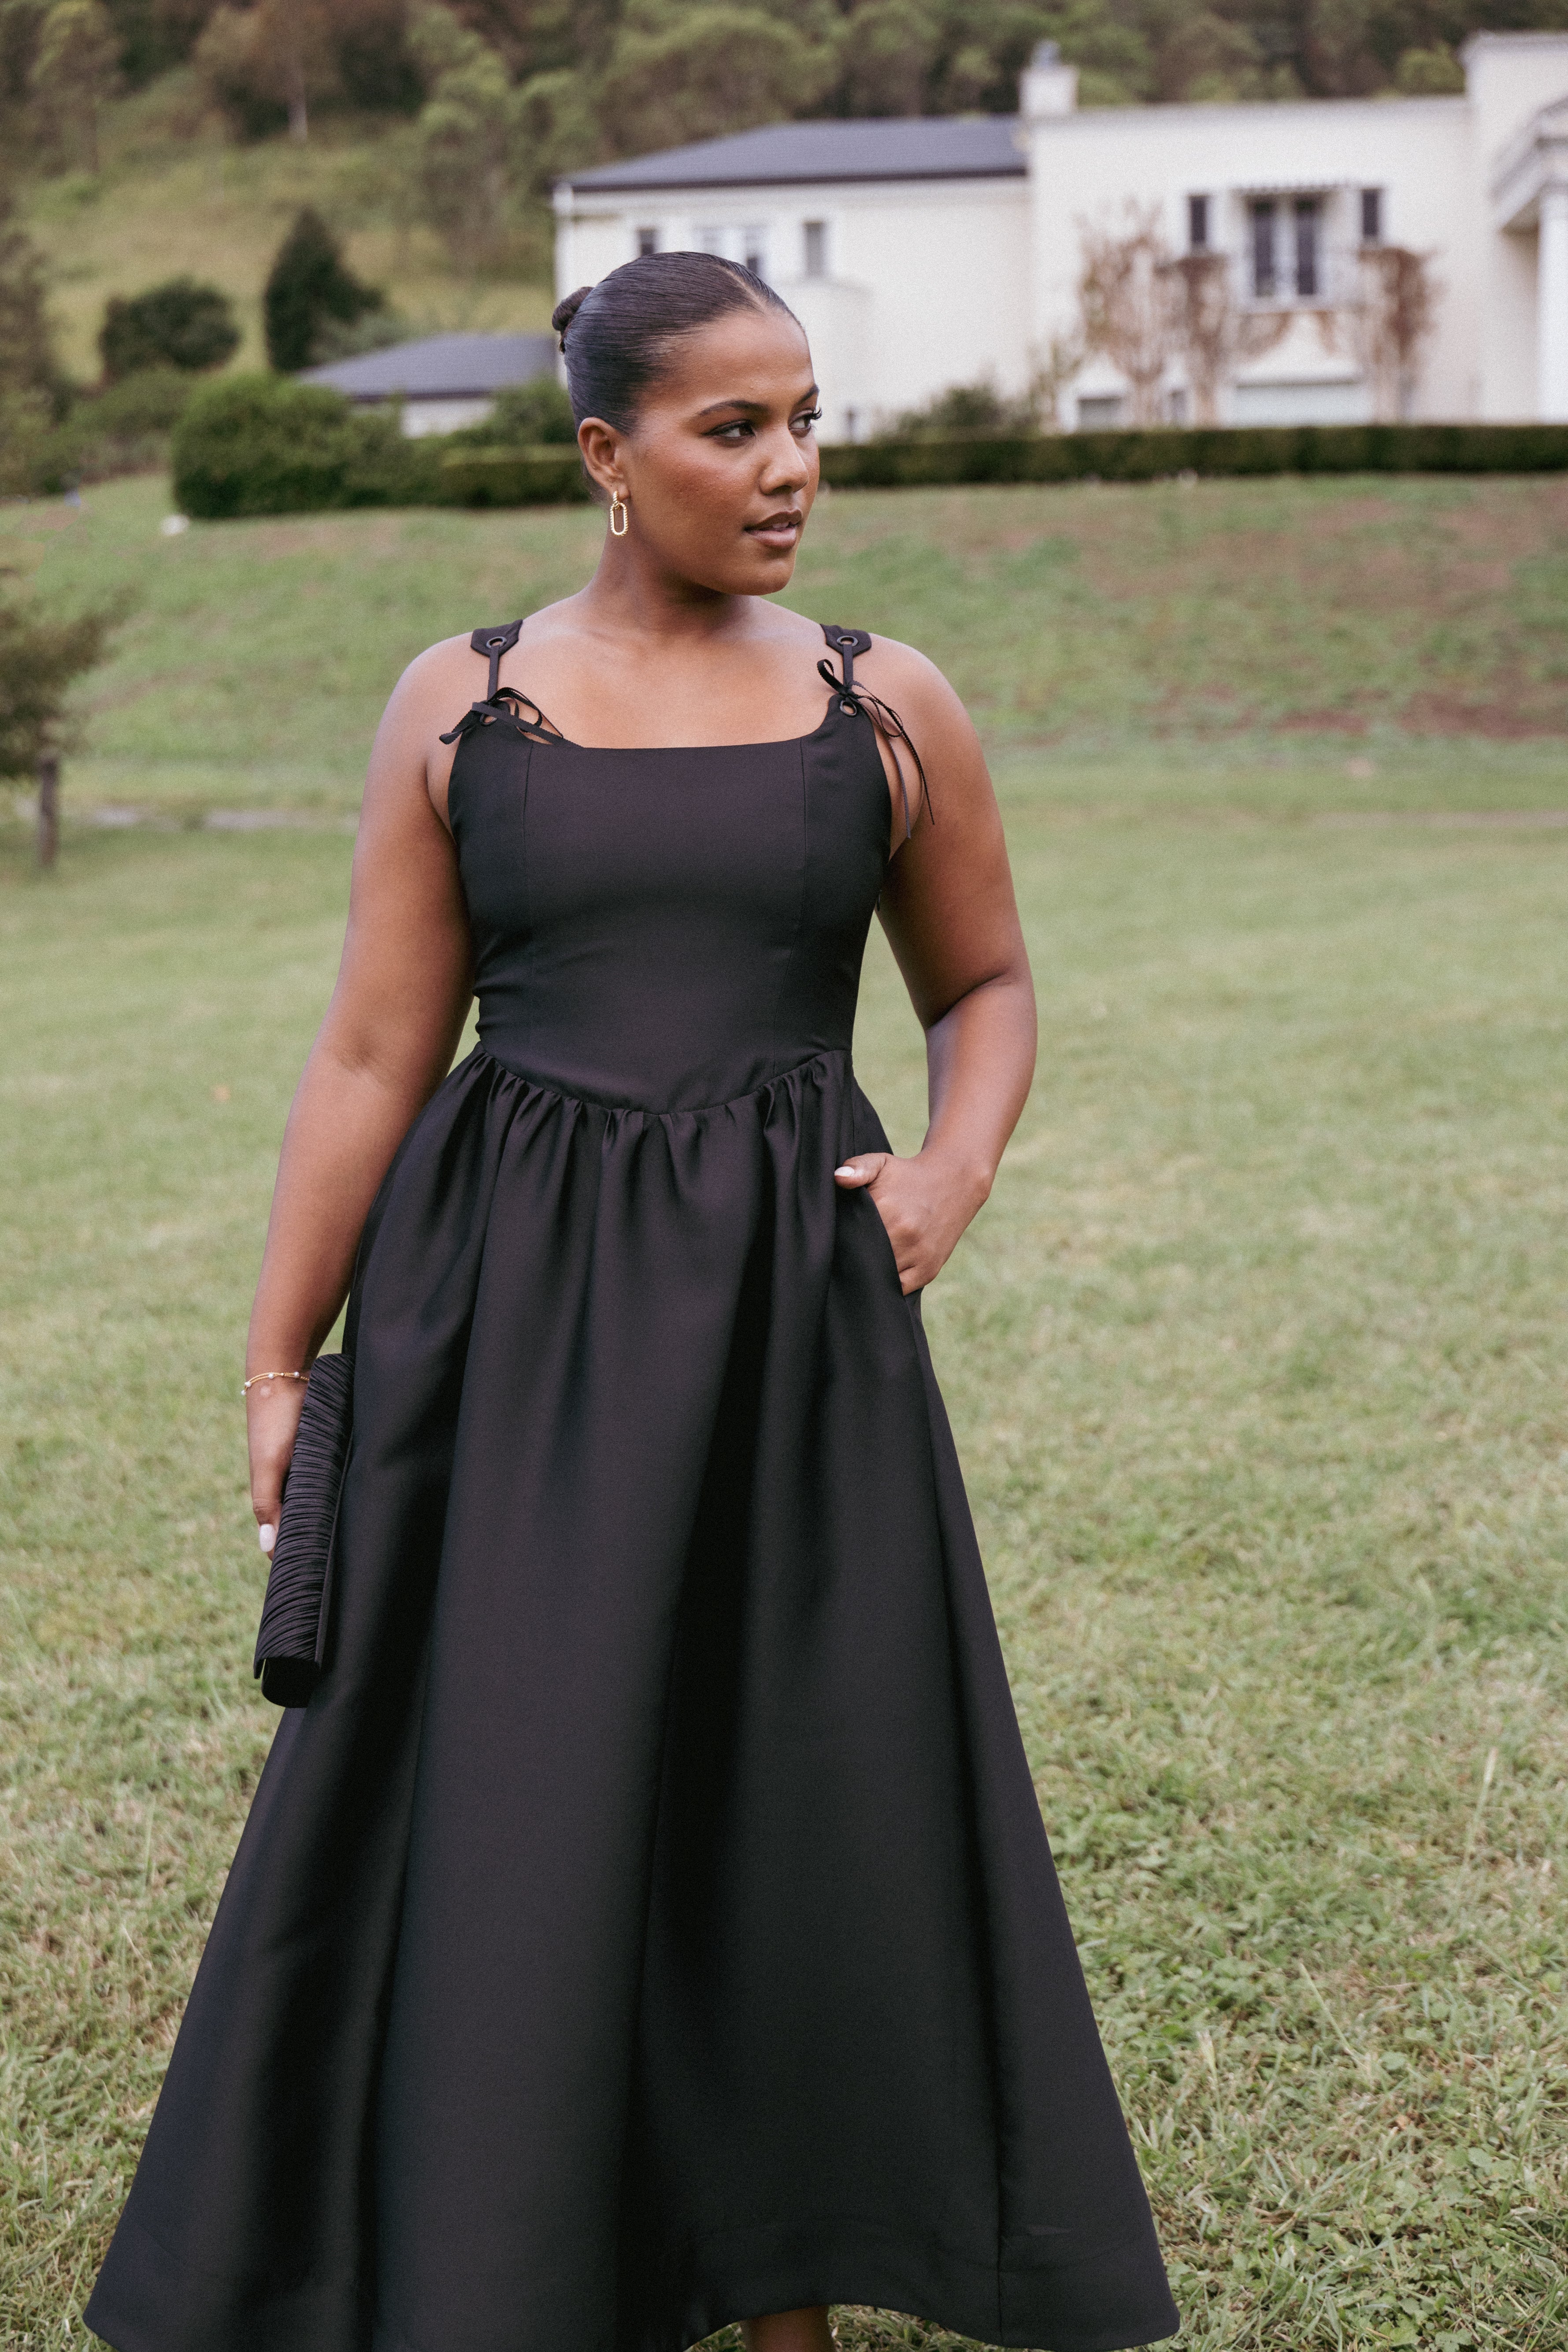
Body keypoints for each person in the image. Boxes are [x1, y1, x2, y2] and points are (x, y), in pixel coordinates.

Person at [85, 253, 1177, 2352]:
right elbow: (372, 1055)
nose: (791, 469)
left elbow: (982, 980)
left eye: (807, 421)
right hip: (502, 1325)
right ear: (605, 453)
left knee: (793, 1786)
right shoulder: (459, 702)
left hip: (789, 1326)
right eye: (732, 428)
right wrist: (276, 1357)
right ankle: (498, 2265)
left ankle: (783, 2289)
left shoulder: (884, 700)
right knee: (520, 1783)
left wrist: (951, 1166)